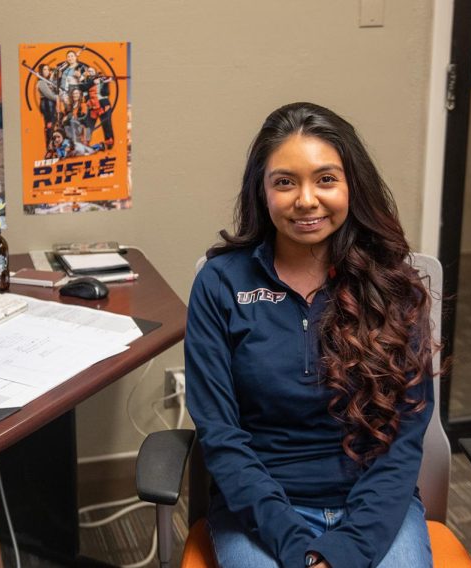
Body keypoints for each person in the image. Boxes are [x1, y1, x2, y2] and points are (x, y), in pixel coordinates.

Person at [185, 102, 436, 568]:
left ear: (351, 186)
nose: (306, 199)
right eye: (285, 181)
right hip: (260, 510)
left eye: (325, 179)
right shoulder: (221, 283)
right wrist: (299, 548)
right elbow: (220, 435)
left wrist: (347, 550)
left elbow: (405, 438)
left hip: (374, 509)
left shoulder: (392, 285)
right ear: (261, 191)